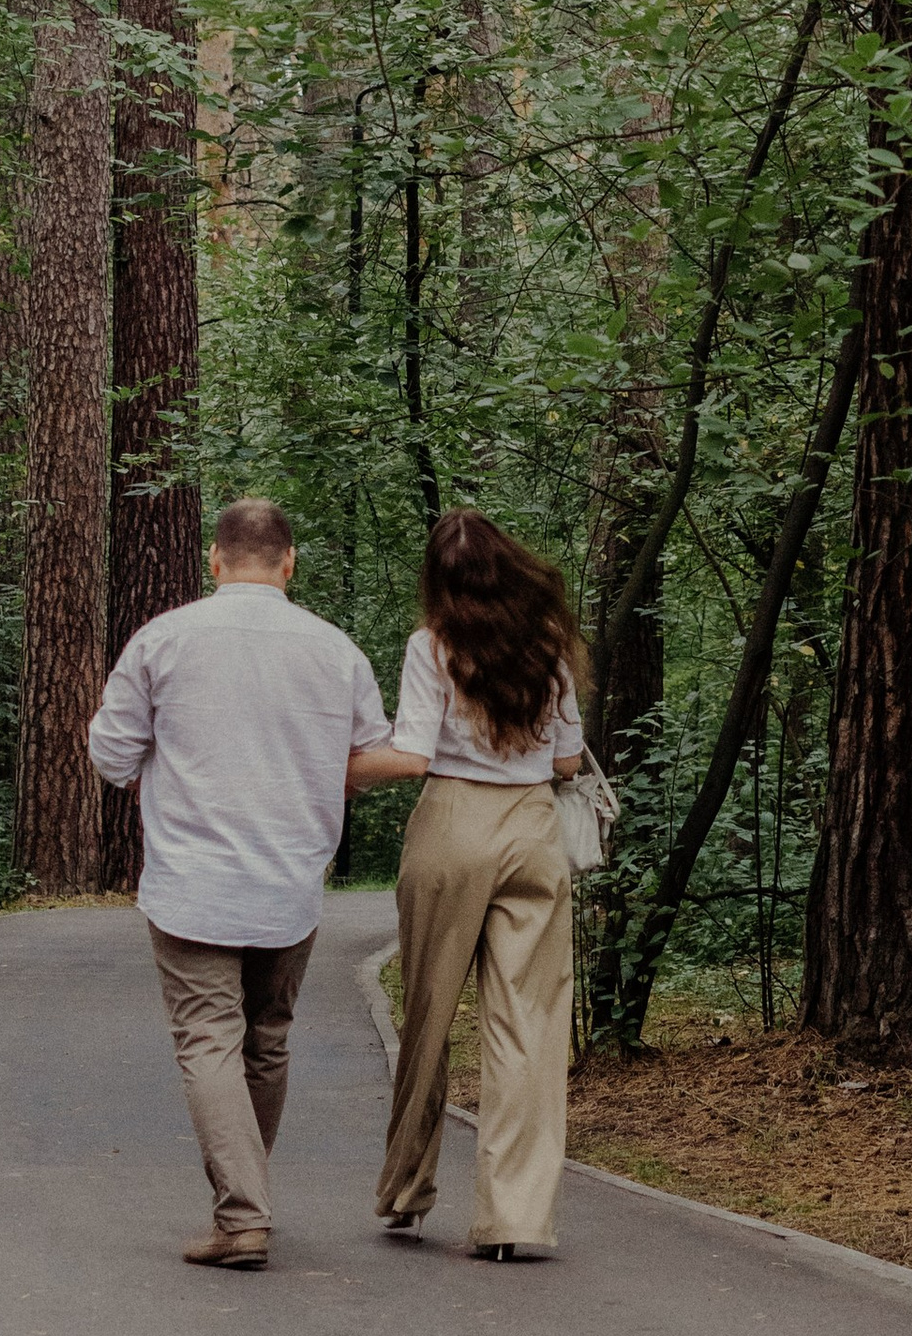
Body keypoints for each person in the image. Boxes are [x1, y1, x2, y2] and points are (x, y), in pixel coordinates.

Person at [88, 493, 389, 1271]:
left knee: (208, 1040)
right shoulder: (335, 650)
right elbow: (366, 761)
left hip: (193, 880)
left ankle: (242, 1214)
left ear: (214, 561)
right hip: (290, 879)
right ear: (290, 563)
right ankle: (246, 1200)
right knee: (268, 1038)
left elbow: (111, 753)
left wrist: (152, 779)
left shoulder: (164, 639)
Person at [353, 508, 586, 1259]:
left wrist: (336, 772)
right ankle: (514, 1220)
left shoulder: (432, 647)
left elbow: (414, 751)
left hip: (453, 821)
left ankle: (406, 1190)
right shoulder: (549, 649)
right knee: (529, 1026)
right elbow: (567, 765)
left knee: (427, 1011)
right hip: (533, 829)